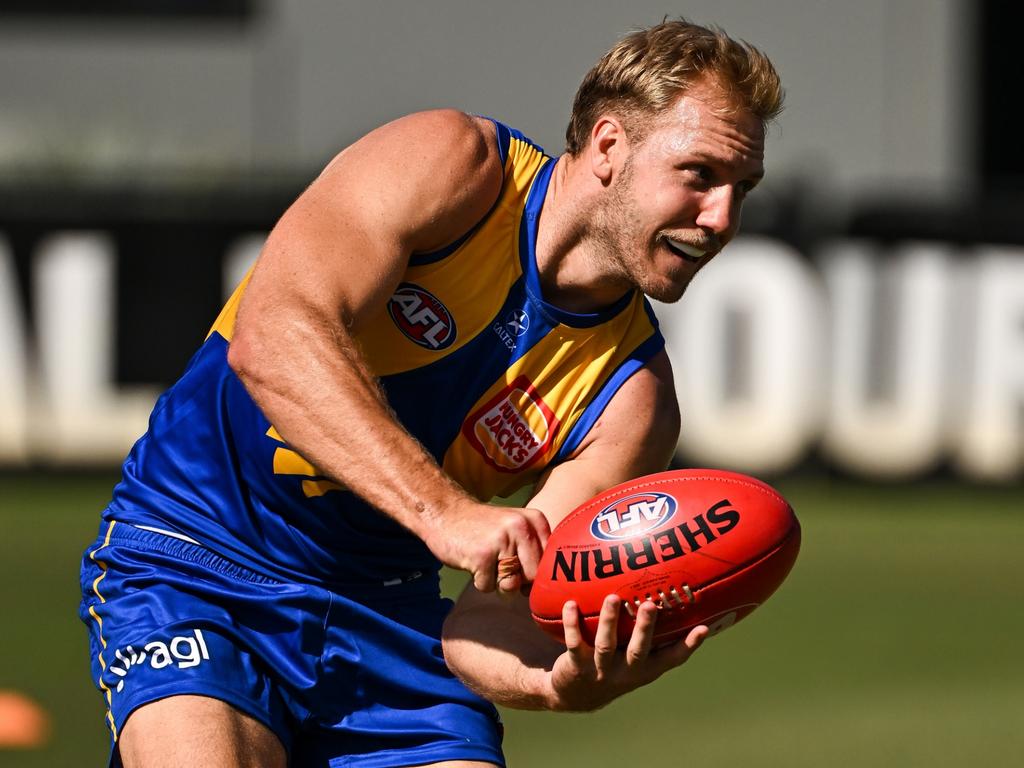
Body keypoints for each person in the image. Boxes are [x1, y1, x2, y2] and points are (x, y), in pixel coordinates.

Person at [79, 18, 783, 768]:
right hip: (199, 556)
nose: (722, 220)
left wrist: (558, 681)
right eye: (700, 175)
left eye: (742, 189)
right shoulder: (455, 165)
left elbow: (492, 612)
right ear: (609, 147)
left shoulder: (633, 399)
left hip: (390, 615)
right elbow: (273, 337)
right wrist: (445, 514)